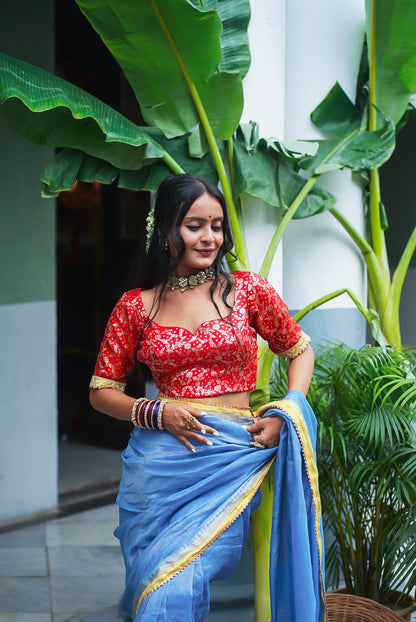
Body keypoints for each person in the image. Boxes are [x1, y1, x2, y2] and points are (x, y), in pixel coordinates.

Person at [89, 174, 325, 622]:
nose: (209, 237)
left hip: (234, 456)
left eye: (216, 226)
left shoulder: (248, 291)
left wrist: (285, 411)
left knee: (181, 580)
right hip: (160, 469)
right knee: (159, 583)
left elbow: (300, 350)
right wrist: (156, 411)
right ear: (164, 232)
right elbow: (101, 393)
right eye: (195, 225)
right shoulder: (135, 307)